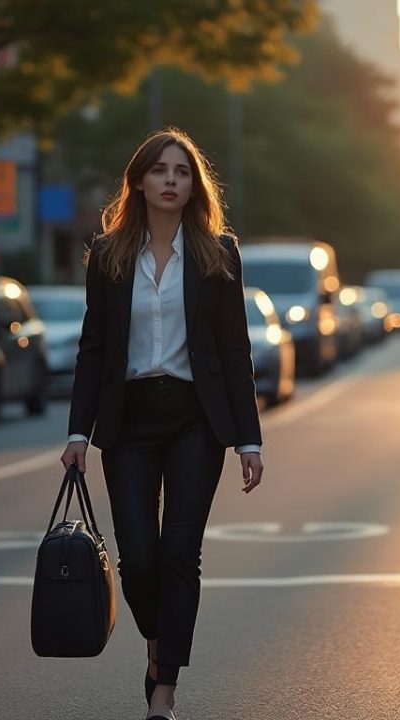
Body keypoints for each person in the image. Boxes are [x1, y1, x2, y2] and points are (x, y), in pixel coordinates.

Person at [60, 127, 264, 720]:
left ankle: (165, 685)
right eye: (160, 171)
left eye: (181, 171)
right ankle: (157, 642)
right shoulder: (108, 254)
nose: (171, 180)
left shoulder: (217, 253)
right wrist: (78, 432)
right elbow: (93, 347)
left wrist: (248, 438)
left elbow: (235, 350)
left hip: (195, 418)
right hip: (128, 419)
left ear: (193, 183)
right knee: (139, 559)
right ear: (140, 182)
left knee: (180, 553)